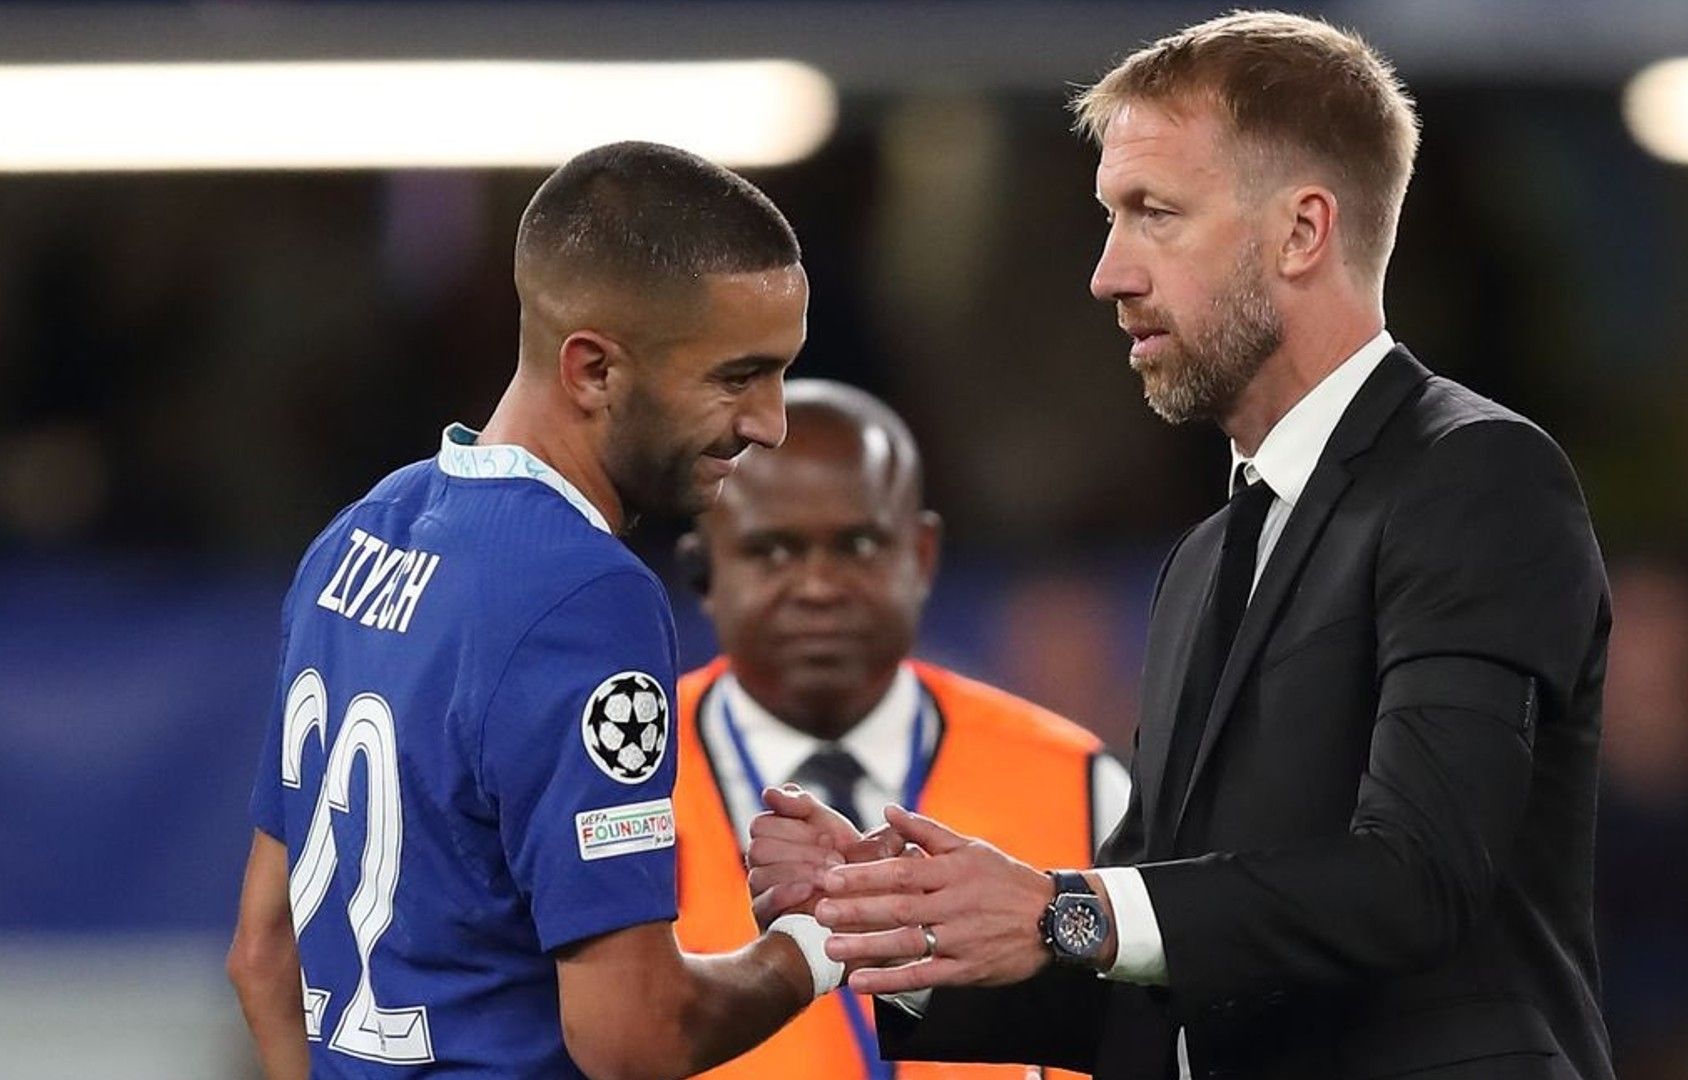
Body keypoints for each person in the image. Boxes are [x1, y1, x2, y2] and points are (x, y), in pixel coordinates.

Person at [749, 12, 1614, 1080]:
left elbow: (1419, 877)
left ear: (1303, 233)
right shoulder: (1203, 564)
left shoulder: (1477, 477)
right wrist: (901, 926)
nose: (1109, 272)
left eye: (1153, 213)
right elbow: (1153, 973)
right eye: (1111, 219)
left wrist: (1066, 907)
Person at [226, 141, 849, 1080]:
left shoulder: (358, 534)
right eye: (738, 377)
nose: (771, 422)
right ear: (593, 370)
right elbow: (632, 1035)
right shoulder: (585, 599)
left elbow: (264, 956)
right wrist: (812, 946)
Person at [671, 379, 1130, 1079]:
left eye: (857, 545)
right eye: (773, 551)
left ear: (920, 554)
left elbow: (1160, 1037)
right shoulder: (624, 780)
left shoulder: (1079, 780)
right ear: (702, 570)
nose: (818, 586)